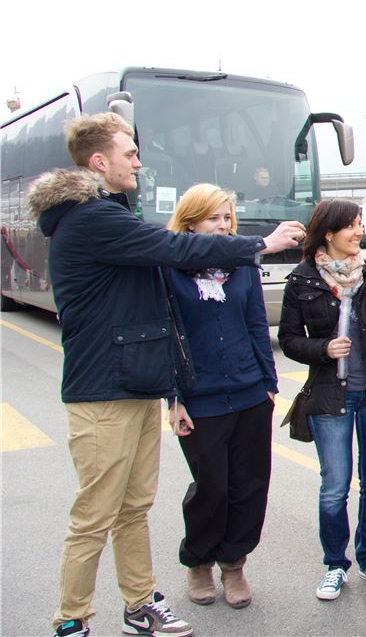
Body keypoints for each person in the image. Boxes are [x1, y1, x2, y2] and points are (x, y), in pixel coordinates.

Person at [27, 112, 304, 637]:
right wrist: (258, 245)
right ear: (99, 162)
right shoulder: (92, 219)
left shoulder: (109, 213)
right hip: (102, 392)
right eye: (129, 153)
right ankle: (72, 619)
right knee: (95, 515)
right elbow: (177, 248)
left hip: (135, 386)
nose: (138, 160)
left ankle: (138, 605)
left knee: (133, 508)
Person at [277, 199, 366, 602]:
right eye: (351, 226)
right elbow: (288, 339)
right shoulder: (302, 280)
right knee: (334, 486)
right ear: (329, 233)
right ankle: (336, 564)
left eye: (360, 224)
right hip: (329, 396)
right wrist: (322, 348)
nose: (360, 232)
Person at [164, 184, 278, 609]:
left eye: (228, 217)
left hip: (249, 393)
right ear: (190, 222)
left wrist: (268, 383)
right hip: (200, 398)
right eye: (214, 217)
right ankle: (198, 561)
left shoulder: (241, 264)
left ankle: (234, 563)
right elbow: (167, 335)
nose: (223, 225)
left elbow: (255, 325)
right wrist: (173, 399)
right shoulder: (169, 267)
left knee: (249, 485)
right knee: (211, 486)